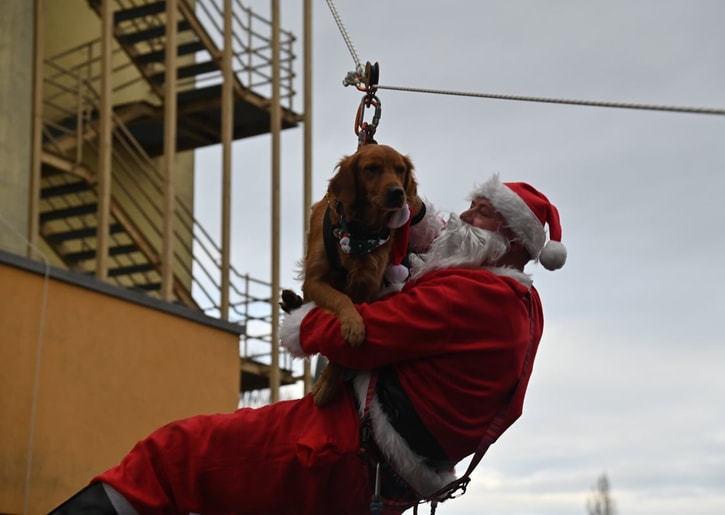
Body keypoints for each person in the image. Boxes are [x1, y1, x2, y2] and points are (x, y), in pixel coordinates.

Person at [49, 174, 566, 515]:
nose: (464, 218)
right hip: (381, 476)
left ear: (511, 240)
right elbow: (441, 244)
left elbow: (362, 337)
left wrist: (306, 324)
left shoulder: (477, 297)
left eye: (481, 212)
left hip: (340, 447)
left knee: (174, 457)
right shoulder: (519, 304)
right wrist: (406, 203)